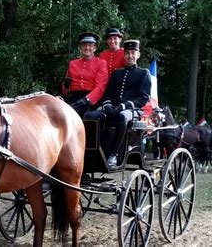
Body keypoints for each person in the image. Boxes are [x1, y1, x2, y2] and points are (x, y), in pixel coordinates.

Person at [84, 40, 151, 168]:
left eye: (133, 53)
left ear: (138, 55)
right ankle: (91, 152)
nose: (130, 56)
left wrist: (124, 106)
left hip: (133, 110)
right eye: (127, 53)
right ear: (124, 55)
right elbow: (108, 93)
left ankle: (115, 154)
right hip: (113, 107)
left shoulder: (144, 73)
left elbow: (143, 98)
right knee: (90, 116)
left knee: (122, 116)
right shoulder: (117, 73)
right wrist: (107, 105)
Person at [62, 32, 109, 117]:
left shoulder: (101, 63)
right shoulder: (72, 63)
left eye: (90, 45)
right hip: (74, 98)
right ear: (80, 47)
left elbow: (100, 87)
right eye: (84, 45)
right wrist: (65, 86)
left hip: (91, 100)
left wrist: (87, 99)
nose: (87, 48)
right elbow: (66, 91)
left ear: (94, 48)